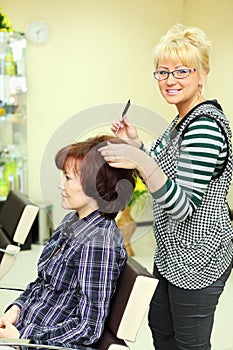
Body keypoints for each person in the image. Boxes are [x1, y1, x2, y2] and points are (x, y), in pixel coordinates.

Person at [99, 24, 233, 349]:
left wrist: (138, 160)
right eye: (162, 72)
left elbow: (181, 204)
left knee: (190, 344)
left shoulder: (205, 127)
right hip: (172, 254)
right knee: (161, 328)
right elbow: (159, 177)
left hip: (199, 257)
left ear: (202, 74)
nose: (170, 80)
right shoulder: (180, 121)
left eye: (181, 71)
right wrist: (136, 146)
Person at [0, 135, 136, 348]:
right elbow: (43, 283)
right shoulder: (72, 221)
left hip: (40, 342)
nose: (59, 184)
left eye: (68, 178)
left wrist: (22, 336)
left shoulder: (98, 243)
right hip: (25, 328)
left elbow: (88, 328)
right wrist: (16, 309)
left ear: (95, 187)